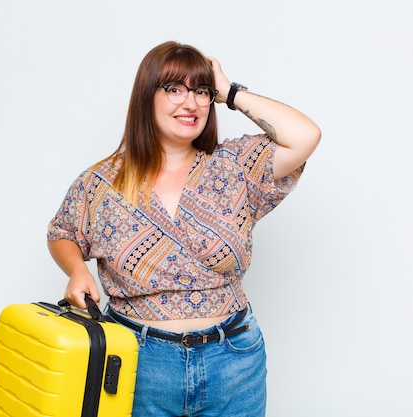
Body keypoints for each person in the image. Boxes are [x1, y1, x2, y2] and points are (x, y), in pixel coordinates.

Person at [47, 41, 321, 417]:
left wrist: (230, 92)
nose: (190, 103)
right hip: (137, 363)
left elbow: (306, 136)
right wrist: (77, 269)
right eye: (174, 89)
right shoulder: (103, 182)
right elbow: (63, 232)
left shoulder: (237, 166)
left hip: (234, 361)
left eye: (201, 91)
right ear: (147, 96)